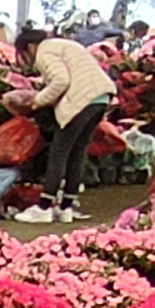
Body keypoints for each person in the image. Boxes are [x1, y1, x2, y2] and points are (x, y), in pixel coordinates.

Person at [16, 21, 114, 222]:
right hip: (100, 98)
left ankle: (44, 207)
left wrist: (37, 101)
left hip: (81, 100)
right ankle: (66, 207)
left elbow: (61, 81)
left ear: (30, 47)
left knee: (59, 152)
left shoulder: (45, 51)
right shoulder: (64, 45)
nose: (28, 60)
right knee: (77, 152)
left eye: (24, 54)